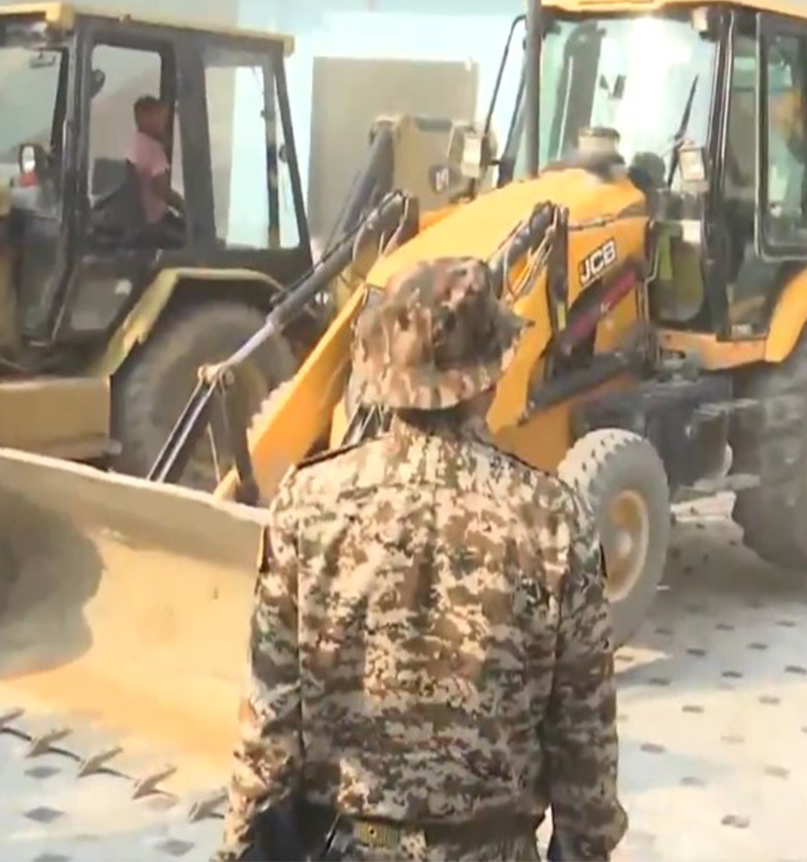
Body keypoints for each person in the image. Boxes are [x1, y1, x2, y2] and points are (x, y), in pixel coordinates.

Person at [216, 257, 628, 861]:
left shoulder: (309, 504)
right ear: (491, 377)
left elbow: (270, 735)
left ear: (383, 373)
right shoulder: (553, 520)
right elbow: (585, 747)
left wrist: (238, 852)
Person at [126, 94, 174, 228]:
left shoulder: (135, 142)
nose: (164, 122)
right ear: (147, 119)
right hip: (155, 223)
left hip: (140, 220)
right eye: (159, 117)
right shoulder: (153, 149)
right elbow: (162, 190)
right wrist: (186, 208)